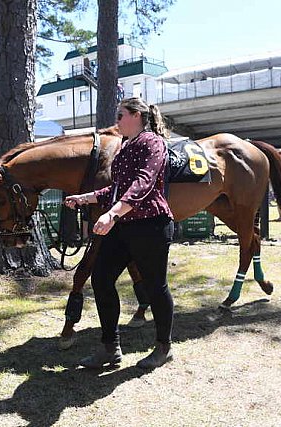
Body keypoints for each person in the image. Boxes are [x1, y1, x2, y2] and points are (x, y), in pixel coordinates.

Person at [64, 97, 175, 370]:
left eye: (121, 115)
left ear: (137, 115)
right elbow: (116, 189)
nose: (116, 120)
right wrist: (86, 197)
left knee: (155, 286)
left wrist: (112, 213)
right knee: (101, 279)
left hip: (150, 225)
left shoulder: (152, 142)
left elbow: (143, 184)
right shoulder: (126, 146)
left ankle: (163, 347)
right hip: (123, 225)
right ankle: (110, 348)